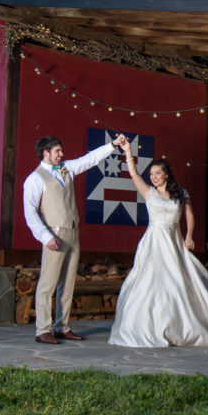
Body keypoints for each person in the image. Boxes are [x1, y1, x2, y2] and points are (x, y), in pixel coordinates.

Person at [108, 141, 208, 347]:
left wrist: (189, 236)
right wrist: (128, 152)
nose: (153, 177)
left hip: (173, 241)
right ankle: (146, 327)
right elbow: (134, 174)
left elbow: (190, 216)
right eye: (151, 174)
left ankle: (180, 326)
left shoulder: (181, 193)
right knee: (151, 281)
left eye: (157, 173)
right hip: (154, 241)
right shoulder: (149, 192)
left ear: (166, 174)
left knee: (177, 281)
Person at [24, 133, 126, 344]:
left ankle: (62, 326)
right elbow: (30, 213)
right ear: (46, 153)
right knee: (47, 284)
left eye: (61, 150)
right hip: (54, 233)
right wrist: (46, 237)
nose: (62, 154)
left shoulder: (66, 169)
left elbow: (89, 160)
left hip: (72, 231)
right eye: (57, 151)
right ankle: (43, 329)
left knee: (67, 282)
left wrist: (113, 145)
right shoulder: (35, 179)